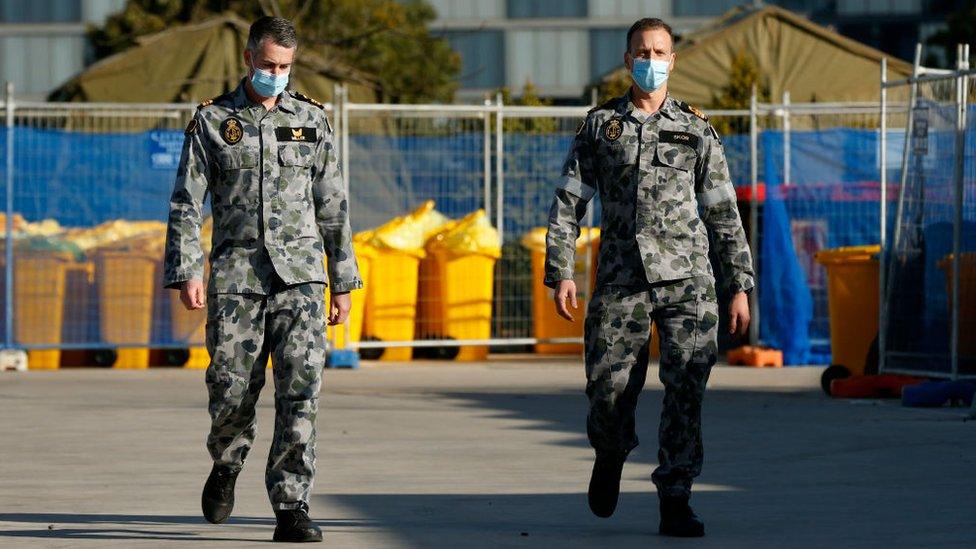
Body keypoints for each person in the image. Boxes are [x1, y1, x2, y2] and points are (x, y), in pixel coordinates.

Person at [544, 17, 754, 538]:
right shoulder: (601, 127)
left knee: (686, 387)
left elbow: (723, 211)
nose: (651, 60)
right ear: (627, 59)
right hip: (621, 280)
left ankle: (676, 496)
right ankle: (611, 451)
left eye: (660, 51)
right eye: (642, 51)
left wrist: (739, 285)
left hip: (689, 282)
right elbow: (571, 202)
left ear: (673, 59)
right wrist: (561, 271)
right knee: (609, 389)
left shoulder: (696, 129)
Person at [163, 16, 361, 543]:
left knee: (302, 392)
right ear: (250, 59)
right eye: (270, 64)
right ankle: (226, 462)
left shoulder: (312, 121)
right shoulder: (212, 121)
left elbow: (333, 206)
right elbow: (187, 203)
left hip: (301, 280)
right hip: (236, 279)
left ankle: (291, 506)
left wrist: (342, 280)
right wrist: (187, 270)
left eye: (286, 66)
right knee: (231, 390)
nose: (278, 74)